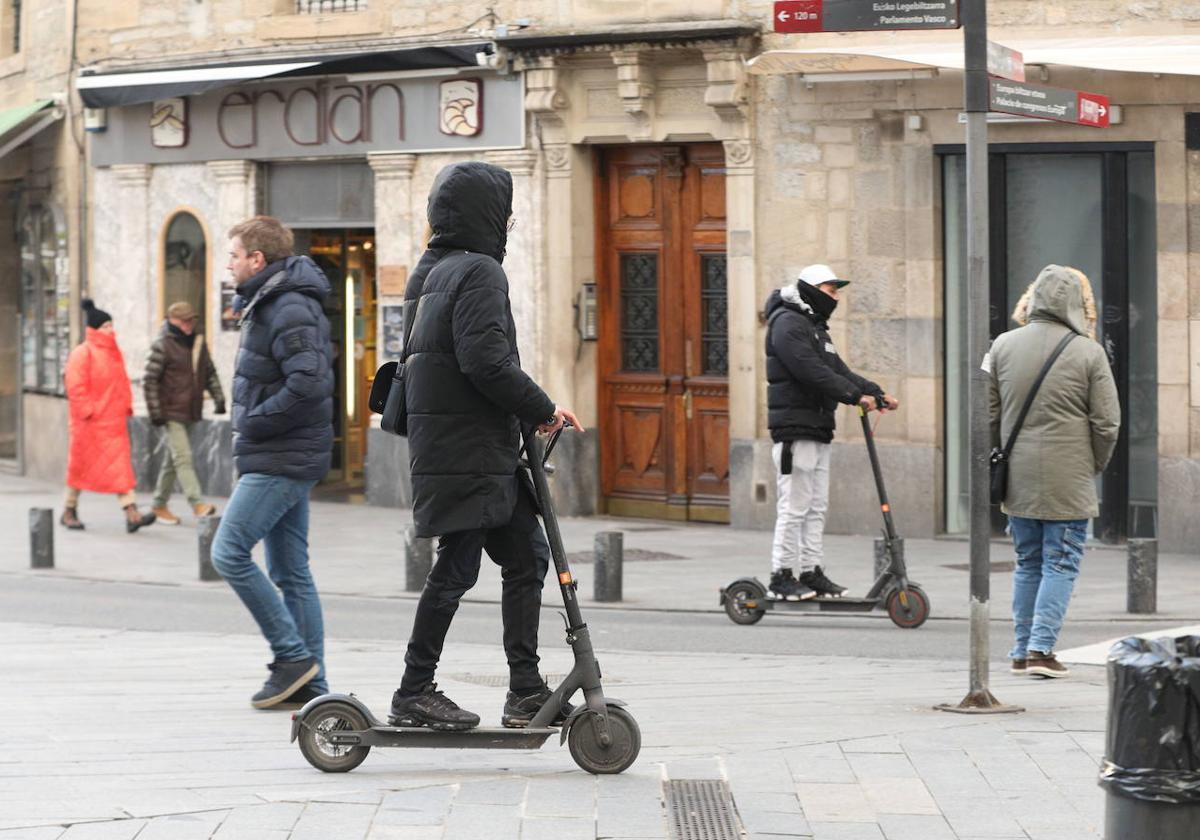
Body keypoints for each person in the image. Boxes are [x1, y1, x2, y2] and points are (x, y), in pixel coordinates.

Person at [389, 161, 582, 732]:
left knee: (526, 555)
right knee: (457, 566)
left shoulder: (431, 269)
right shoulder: (479, 272)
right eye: (506, 213)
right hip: (468, 448)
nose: (510, 223)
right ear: (487, 216)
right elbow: (485, 363)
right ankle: (414, 690)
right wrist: (543, 408)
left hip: (459, 445)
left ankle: (524, 689)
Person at [210, 216, 334, 710]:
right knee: (290, 570)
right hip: (283, 450)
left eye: (235, 255)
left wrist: (257, 421)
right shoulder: (271, 301)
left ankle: (291, 657)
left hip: (280, 454)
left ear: (257, 260)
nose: (230, 263)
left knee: (229, 551)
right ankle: (313, 687)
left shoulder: (288, 306)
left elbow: (309, 382)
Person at [989, 264, 1119, 679]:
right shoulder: (1088, 351)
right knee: (1060, 562)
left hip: (1018, 476)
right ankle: (1041, 651)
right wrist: (1094, 463)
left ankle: (1020, 648)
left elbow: (988, 413)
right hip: (1069, 473)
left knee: (1027, 562)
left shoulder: (1003, 346)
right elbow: (1107, 423)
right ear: (1076, 304)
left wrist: (1001, 453)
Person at [763, 264, 899, 602]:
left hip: (819, 425)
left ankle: (810, 571)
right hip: (795, 428)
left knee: (816, 506)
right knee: (794, 507)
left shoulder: (814, 327)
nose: (836, 297)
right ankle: (781, 575)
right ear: (810, 290)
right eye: (830, 290)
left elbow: (837, 370)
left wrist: (876, 393)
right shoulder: (787, 323)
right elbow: (810, 372)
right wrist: (855, 396)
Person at [61, 300, 157, 533]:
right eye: (105, 326)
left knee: (119, 468)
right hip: (90, 424)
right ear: (94, 329)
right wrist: (87, 411)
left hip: (112, 423)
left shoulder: (113, 353)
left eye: (111, 325)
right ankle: (69, 510)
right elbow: (75, 386)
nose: (110, 330)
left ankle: (131, 513)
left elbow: (120, 383)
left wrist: (125, 406)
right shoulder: (82, 353)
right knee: (80, 469)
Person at [143, 301, 226, 524]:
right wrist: (155, 412)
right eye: (184, 321)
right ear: (172, 321)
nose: (189, 324)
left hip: (191, 409)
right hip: (170, 411)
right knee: (183, 458)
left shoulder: (198, 342)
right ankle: (197, 503)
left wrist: (219, 397)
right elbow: (150, 381)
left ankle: (159, 505)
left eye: (192, 320)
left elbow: (209, 373)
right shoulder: (163, 345)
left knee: (174, 459)